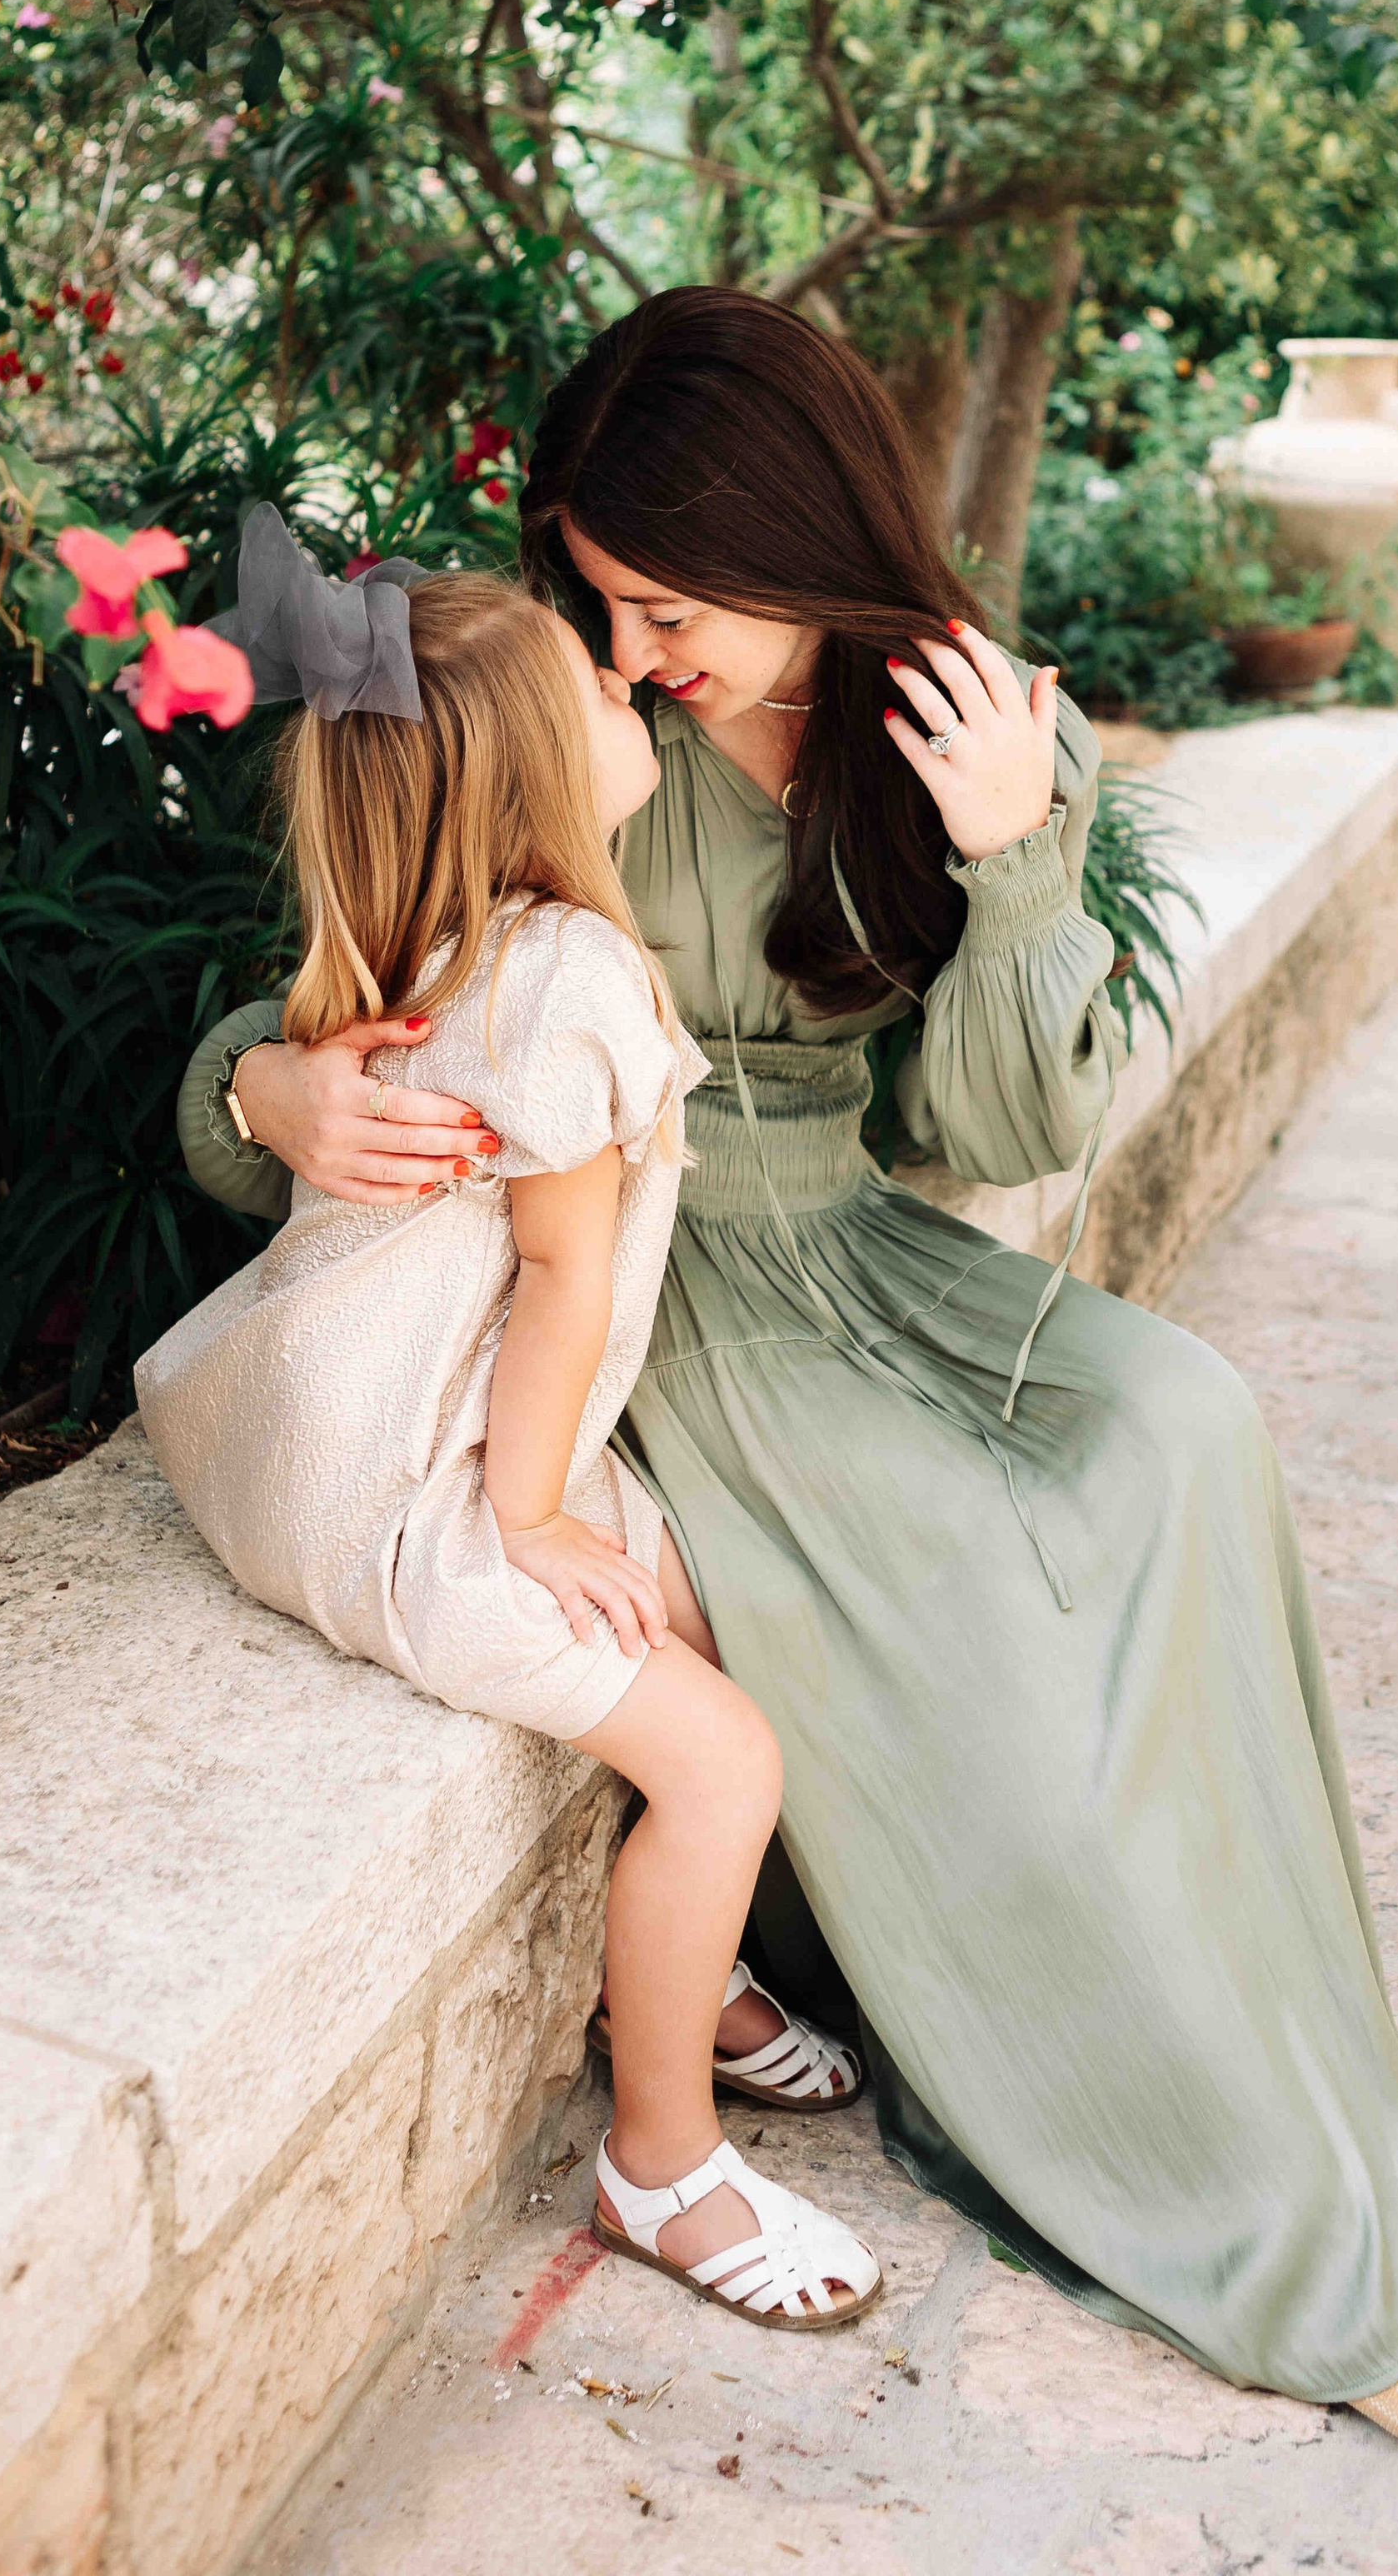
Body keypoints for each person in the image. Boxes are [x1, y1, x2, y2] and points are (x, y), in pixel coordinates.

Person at [177, 302, 1398, 2507]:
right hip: (655, 1300)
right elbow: (345, 991)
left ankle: (1294, 2101)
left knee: (1181, 1438)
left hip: (857, 1246)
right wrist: (273, 1088)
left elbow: (984, 1123)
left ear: (803, 542)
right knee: (979, 1562)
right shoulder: (573, 738)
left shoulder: (958, 731)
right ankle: (1293, 2227)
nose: (635, 643)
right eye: (605, 603)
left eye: (669, 602)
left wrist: (1017, 854)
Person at [138, 506, 881, 2334]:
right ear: (552, 775)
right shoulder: (564, 981)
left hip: (330, 1430)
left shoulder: (424, 928)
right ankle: (659, 2157)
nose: (625, 674)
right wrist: (537, 1522)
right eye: (587, 677)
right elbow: (557, 1284)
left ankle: (679, 1969)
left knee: (708, 1624)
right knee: (724, 1758)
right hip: (407, 1500)